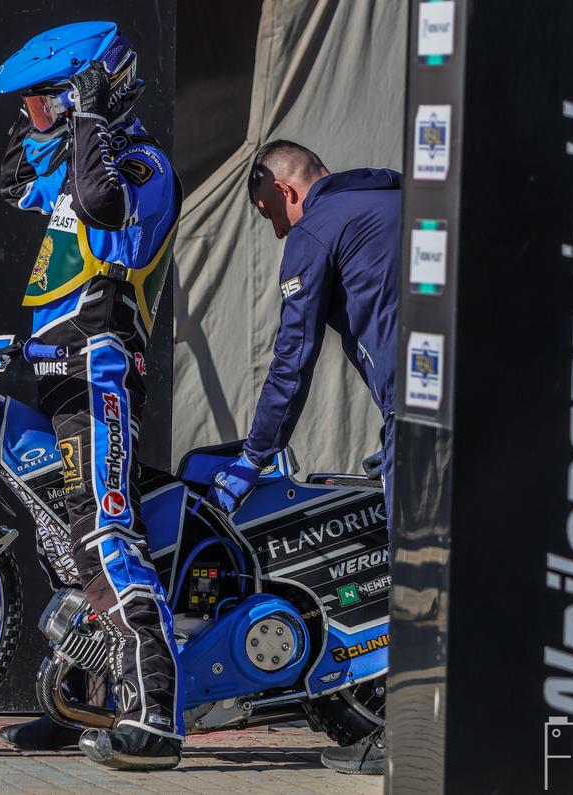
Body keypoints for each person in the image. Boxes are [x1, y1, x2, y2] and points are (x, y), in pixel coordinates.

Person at [0, 22, 185, 770]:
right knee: (62, 544)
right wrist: (42, 115)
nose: (33, 116)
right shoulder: (76, 160)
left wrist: (88, 111)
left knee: (104, 537)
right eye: (29, 105)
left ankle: (156, 714)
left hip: (100, 371)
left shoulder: (139, 163)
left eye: (43, 101)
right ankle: (87, 703)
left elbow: (101, 204)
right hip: (56, 371)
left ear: (88, 94)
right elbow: (13, 182)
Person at [208, 140, 400, 775]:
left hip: (426, 413)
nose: (276, 231)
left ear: (286, 191)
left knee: (422, 574)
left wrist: (254, 457)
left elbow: (293, 359)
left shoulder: (316, 227)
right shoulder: (398, 197)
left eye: (271, 215)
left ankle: (410, 738)